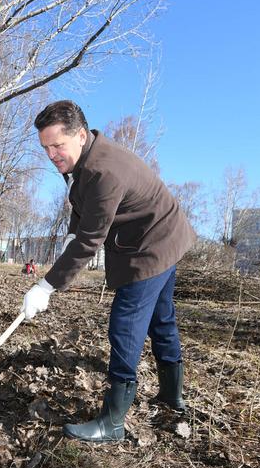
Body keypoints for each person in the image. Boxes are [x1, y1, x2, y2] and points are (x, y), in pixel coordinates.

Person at [21, 100, 196, 443]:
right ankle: (172, 396)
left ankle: (113, 421)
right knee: (162, 319)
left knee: (126, 323)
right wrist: (73, 228)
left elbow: (90, 240)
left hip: (153, 244)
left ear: (81, 135)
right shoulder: (83, 161)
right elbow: (80, 200)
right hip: (156, 236)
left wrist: (46, 286)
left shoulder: (105, 170)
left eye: (58, 145)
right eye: (45, 148)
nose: (52, 155)